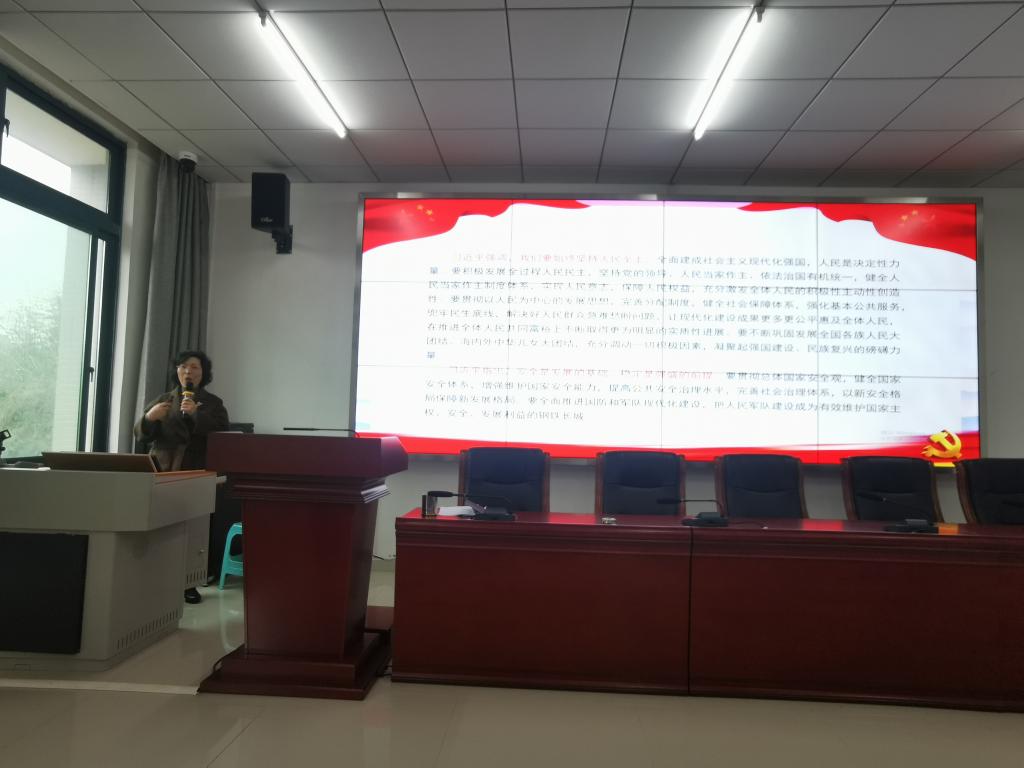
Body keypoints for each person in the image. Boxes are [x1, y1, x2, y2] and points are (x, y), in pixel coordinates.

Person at [135, 350, 229, 603]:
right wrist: (149, 418)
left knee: (193, 527)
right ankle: (157, 577)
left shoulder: (214, 403)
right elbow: (140, 434)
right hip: (164, 469)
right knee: (162, 525)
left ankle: (189, 583)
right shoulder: (164, 400)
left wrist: (197, 415)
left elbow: (223, 434)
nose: (189, 371)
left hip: (195, 469)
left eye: (195, 367)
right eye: (184, 366)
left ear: (203, 373)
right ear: (177, 371)